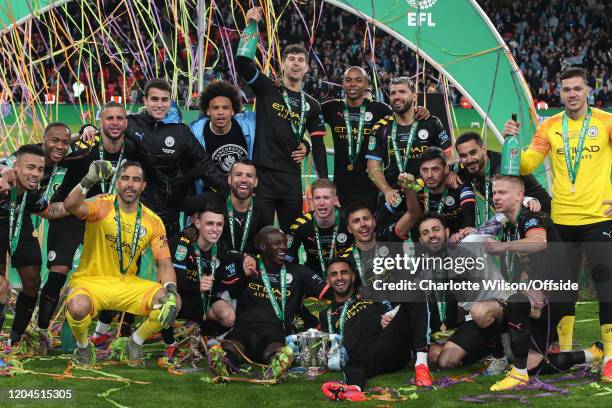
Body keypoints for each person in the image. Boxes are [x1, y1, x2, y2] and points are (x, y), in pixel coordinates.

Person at [503, 67, 612, 381]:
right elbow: (527, 163)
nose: (572, 95)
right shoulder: (550, 126)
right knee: (564, 292)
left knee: (607, 289)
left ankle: (609, 358)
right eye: (566, 90)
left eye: (578, 89)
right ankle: (564, 351)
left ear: (588, 90)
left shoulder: (605, 122)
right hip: (563, 221)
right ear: (559, 92)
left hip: (598, 219)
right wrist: (511, 140)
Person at [37, 102, 137, 353]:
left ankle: (101, 335)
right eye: (109, 118)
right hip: (70, 214)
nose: (114, 123)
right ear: (100, 121)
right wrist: (82, 131)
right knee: (58, 272)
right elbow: (53, 153)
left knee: (116, 274)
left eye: (120, 118)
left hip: (104, 219)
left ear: (126, 122)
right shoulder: (86, 146)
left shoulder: (133, 150)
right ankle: (41, 332)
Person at [63, 160, 179, 365]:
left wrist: (170, 291)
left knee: (173, 302)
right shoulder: (101, 205)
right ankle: (83, 347)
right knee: (78, 306)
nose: (130, 184)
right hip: (91, 282)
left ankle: (135, 342)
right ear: (117, 182)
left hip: (127, 284)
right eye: (125, 178)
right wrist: (89, 180)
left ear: (143, 186)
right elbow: (70, 205)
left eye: (136, 180)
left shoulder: (153, 221)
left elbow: (165, 264)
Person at [82, 79, 227, 237]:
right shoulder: (131, 124)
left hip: (168, 212)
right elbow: (109, 129)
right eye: (154, 99)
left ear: (170, 101)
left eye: (164, 99)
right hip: (135, 207)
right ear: (145, 100)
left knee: (165, 259)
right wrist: (88, 128)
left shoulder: (181, 132)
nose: (159, 104)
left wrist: (230, 187)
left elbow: (205, 165)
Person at [236, 7, 328, 232]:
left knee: (292, 235)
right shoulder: (267, 89)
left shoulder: (312, 105)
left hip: (291, 179)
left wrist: (323, 180)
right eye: (291, 59)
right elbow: (243, 62)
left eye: (300, 60)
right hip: (263, 175)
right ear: (283, 64)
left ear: (307, 67)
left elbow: (318, 145)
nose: (296, 63)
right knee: (261, 235)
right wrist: (251, 24)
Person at [483, 175, 574, 390]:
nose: (496, 197)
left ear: (520, 195)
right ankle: (591, 354)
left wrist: (503, 247)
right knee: (539, 364)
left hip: (556, 296)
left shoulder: (530, 216)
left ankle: (519, 373)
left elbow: (538, 241)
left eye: (502, 192)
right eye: (494, 193)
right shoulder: (508, 224)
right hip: (538, 296)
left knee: (513, 301)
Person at [207, 226, 331, 381]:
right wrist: (244, 275)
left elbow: (331, 293)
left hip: (274, 332)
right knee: (231, 348)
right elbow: (227, 289)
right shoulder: (248, 267)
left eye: (285, 243)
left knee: (276, 351)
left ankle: (277, 366)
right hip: (243, 329)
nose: (283, 247)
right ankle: (223, 364)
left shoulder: (299, 272)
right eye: (277, 243)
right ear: (262, 246)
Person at [340, 189, 433, 386]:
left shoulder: (389, 239)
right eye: (356, 221)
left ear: (373, 221)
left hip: (404, 319)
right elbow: (347, 303)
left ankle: (421, 364)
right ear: (349, 229)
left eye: (366, 218)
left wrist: (408, 190)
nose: (363, 224)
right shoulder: (346, 262)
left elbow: (414, 214)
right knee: (356, 364)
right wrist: (377, 317)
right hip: (379, 333)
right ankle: (354, 388)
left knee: (415, 290)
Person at [416, 213, 511, 376]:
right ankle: (496, 346)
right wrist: (389, 314)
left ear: (446, 232)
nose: (431, 235)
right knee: (443, 360)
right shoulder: (429, 270)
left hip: (504, 307)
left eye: (435, 229)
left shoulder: (470, 242)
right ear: (421, 241)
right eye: (425, 233)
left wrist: (530, 200)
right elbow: (410, 297)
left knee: (479, 311)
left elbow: (504, 215)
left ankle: (500, 355)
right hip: (476, 319)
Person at [0, 144, 70, 349]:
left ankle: (15, 339)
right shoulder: (5, 177)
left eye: (40, 169)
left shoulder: (32, 193)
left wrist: (86, 190)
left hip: (20, 226)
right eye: (30, 168)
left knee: (32, 282)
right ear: (15, 166)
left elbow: (51, 211)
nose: (36, 174)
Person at [164, 199, 245, 359]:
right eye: (209, 224)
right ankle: (170, 343)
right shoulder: (183, 242)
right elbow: (175, 278)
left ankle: (205, 338)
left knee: (229, 316)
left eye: (219, 224)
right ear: (198, 223)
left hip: (203, 300)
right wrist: (197, 286)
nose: (215, 229)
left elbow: (234, 287)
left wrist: (244, 272)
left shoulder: (221, 248)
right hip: (179, 295)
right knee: (172, 300)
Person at [319, 258, 415, 390]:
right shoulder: (326, 314)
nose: (339, 277)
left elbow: (395, 309)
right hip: (362, 360)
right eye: (334, 274)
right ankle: (353, 390)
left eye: (344, 272)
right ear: (328, 281)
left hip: (388, 345)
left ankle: (421, 358)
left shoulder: (370, 295)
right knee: (353, 366)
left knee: (412, 296)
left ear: (353, 277)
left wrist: (391, 315)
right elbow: (332, 347)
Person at [190, 80, 308, 180]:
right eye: (215, 108)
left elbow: (280, 127)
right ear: (207, 111)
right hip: (213, 194)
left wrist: (305, 144)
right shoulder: (195, 133)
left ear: (233, 111)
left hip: (247, 191)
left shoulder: (250, 124)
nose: (220, 112)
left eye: (225, 108)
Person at [367, 76, 452, 211]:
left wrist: (449, 173)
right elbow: (372, 165)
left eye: (402, 92)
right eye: (393, 93)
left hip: (427, 196)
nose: (397, 96)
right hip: (394, 199)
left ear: (414, 96)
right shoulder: (380, 127)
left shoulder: (431, 123)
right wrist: (387, 190)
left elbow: (449, 155)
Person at [321, 67, 392, 211]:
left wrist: (419, 110)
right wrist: (304, 142)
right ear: (343, 84)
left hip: (370, 188)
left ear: (366, 84)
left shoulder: (379, 109)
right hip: (340, 188)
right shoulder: (331, 108)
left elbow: (404, 119)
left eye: (358, 80)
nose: (353, 84)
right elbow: (305, 118)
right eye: (348, 80)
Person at [170, 159, 266, 256]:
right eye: (238, 174)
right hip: (215, 265)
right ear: (229, 179)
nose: (244, 179)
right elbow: (177, 204)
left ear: (256, 181)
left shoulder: (263, 208)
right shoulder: (212, 199)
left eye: (249, 176)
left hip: (246, 266)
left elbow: (265, 243)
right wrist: (188, 177)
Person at [454, 132, 551, 226]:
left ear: (483, 149)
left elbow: (511, 205)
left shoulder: (503, 167)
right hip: (516, 218)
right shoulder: (467, 168)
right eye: (463, 156)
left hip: (539, 212)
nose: (469, 160)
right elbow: (449, 166)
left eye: (473, 153)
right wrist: (450, 173)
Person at [286, 179, 353, 277]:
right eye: (317, 198)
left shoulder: (349, 221)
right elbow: (288, 257)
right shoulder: (300, 224)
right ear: (312, 200)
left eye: (326, 198)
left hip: (344, 274)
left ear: (335, 200)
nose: (321, 203)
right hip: (313, 276)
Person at [416, 147, 476, 240]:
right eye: (424, 170)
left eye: (435, 169)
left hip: (458, 243)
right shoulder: (416, 190)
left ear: (446, 169)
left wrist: (463, 233)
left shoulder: (458, 185)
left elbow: (469, 212)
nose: (429, 175)